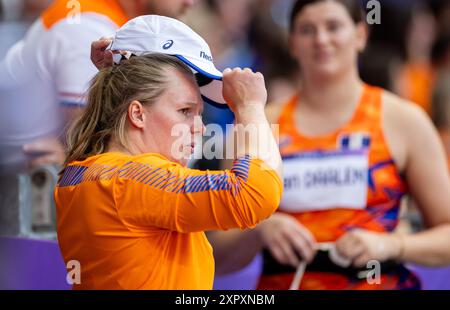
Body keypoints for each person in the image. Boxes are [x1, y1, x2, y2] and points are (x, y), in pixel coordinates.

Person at [209, 0, 450, 290]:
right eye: (307, 30)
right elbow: (217, 258)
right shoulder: (257, 123)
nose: (321, 39)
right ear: (292, 43)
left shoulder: (403, 120)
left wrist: (392, 245)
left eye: (333, 27)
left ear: (361, 35)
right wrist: (260, 230)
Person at [0, 0, 195, 172]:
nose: (190, 2)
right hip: (19, 190)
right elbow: (94, 155)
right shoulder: (88, 25)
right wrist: (73, 158)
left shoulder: (104, 18)